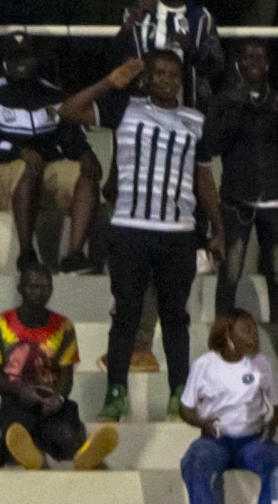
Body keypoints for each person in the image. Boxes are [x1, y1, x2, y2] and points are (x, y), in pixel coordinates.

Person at [59, 52, 225, 422]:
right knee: (127, 314)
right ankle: (115, 393)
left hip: (178, 233)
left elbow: (204, 178)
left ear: (181, 79)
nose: (166, 80)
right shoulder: (125, 109)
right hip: (131, 229)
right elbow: (68, 111)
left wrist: (218, 227)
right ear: (147, 79)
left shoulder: (194, 120)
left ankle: (179, 393)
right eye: (159, 74)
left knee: (175, 317)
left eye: (173, 74)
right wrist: (108, 83)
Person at [0, 34, 101, 273]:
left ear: (36, 60)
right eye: (14, 58)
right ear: (4, 61)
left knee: (86, 170)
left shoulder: (53, 95)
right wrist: (17, 151)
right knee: (25, 167)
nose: (21, 63)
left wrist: (85, 153)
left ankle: (74, 256)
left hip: (43, 172)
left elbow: (71, 137)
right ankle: (26, 254)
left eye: (26, 57)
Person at [0, 263, 120, 470]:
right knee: (13, 431)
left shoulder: (63, 326)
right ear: (21, 288)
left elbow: (66, 376)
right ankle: (34, 458)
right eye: (32, 286)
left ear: (51, 289)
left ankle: (85, 454)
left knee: (65, 432)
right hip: (15, 398)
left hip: (50, 399)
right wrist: (20, 390)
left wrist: (59, 398)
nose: (39, 292)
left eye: (44, 287)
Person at [178, 309, 278, 504]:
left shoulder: (262, 364)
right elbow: (185, 409)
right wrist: (203, 422)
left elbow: (275, 405)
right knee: (194, 461)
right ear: (227, 335)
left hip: (252, 441)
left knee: (275, 463)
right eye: (245, 330)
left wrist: (270, 424)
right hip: (215, 441)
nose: (253, 335)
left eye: (254, 330)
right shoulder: (204, 365)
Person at [205, 39, 278, 316]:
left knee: (277, 275)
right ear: (237, 63)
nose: (254, 63)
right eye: (247, 57)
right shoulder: (224, 101)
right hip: (237, 202)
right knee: (230, 275)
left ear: (268, 65)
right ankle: (222, 341)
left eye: (260, 58)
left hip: (274, 203)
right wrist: (237, 106)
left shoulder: (275, 101)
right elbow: (211, 145)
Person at [110, 0, 223, 111]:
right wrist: (129, 26)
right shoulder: (141, 9)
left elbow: (216, 66)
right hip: (140, 106)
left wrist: (192, 51)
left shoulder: (201, 17)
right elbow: (114, 57)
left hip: (189, 107)